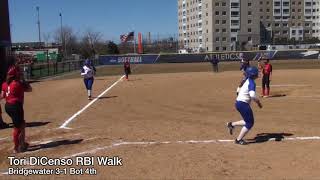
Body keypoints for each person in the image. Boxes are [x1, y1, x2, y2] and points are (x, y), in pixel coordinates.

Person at [227, 66, 263, 145]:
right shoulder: (251, 83)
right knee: (250, 123)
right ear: (253, 75)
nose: (258, 73)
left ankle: (231, 124)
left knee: (247, 121)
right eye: (257, 72)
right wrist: (258, 102)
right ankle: (238, 139)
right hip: (243, 104)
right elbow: (252, 95)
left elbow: (238, 89)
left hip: (239, 103)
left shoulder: (246, 80)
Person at [1, 66, 32, 153]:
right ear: (15, 74)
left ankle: (22, 144)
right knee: (17, 127)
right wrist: (23, 79)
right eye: (18, 73)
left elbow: (2, 96)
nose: (20, 74)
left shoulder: (4, 84)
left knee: (22, 124)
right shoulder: (18, 83)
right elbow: (30, 89)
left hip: (8, 106)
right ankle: (17, 148)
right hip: (16, 107)